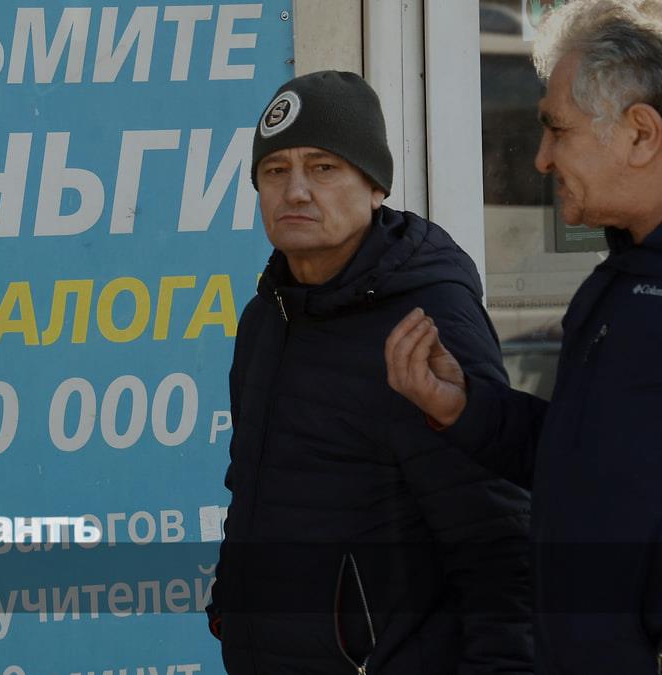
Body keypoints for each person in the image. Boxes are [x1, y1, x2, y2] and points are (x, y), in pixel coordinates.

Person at [207, 71, 533, 674]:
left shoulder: (426, 317)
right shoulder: (267, 317)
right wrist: (231, 605)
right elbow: (250, 483)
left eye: (323, 167)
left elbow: (496, 534)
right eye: (275, 170)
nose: (295, 191)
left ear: (376, 185)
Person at [385, 1, 662, 671]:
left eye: (557, 130)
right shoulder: (618, 285)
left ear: (640, 134)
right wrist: (464, 407)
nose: (540, 159)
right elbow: (582, 462)